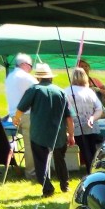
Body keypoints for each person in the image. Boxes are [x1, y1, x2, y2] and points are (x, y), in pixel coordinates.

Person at [12, 63, 75, 197]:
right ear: (51, 77)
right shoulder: (61, 91)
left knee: (41, 161)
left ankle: (47, 188)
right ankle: (65, 185)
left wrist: (16, 118)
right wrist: (71, 135)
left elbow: (21, 108)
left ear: (38, 78)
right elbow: (69, 117)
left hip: (39, 133)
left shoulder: (34, 89)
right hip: (58, 133)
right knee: (60, 159)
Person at [4, 53, 38, 179]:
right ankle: (31, 173)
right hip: (27, 114)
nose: (30, 69)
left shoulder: (10, 77)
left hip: (14, 115)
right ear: (24, 64)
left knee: (27, 144)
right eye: (30, 66)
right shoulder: (25, 77)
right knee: (30, 145)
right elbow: (39, 89)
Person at [64, 67, 105, 171]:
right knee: (92, 149)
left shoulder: (66, 91)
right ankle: (94, 170)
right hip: (91, 124)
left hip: (75, 124)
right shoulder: (90, 92)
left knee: (85, 149)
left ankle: (90, 170)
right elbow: (99, 109)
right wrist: (92, 118)